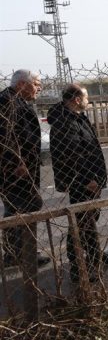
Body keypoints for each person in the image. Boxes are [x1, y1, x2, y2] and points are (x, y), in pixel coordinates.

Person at [48, 83, 108, 282]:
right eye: (86, 97)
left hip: (90, 180)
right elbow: (72, 155)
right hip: (82, 182)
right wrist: (87, 179)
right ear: (77, 99)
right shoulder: (65, 122)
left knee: (88, 220)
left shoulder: (77, 117)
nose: (88, 101)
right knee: (80, 224)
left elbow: (88, 148)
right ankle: (79, 267)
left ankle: (94, 256)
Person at [0, 69, 51, 268]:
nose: (39, 87)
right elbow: (4, 136)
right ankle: (23, 253)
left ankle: (17, 253)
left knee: (16, 209)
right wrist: (15, 163)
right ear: (22, 84)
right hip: (13, 171)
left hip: (21, 167)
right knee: (27, 206)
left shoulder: (15, 100)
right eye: (36, 83)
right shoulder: (7, 101)